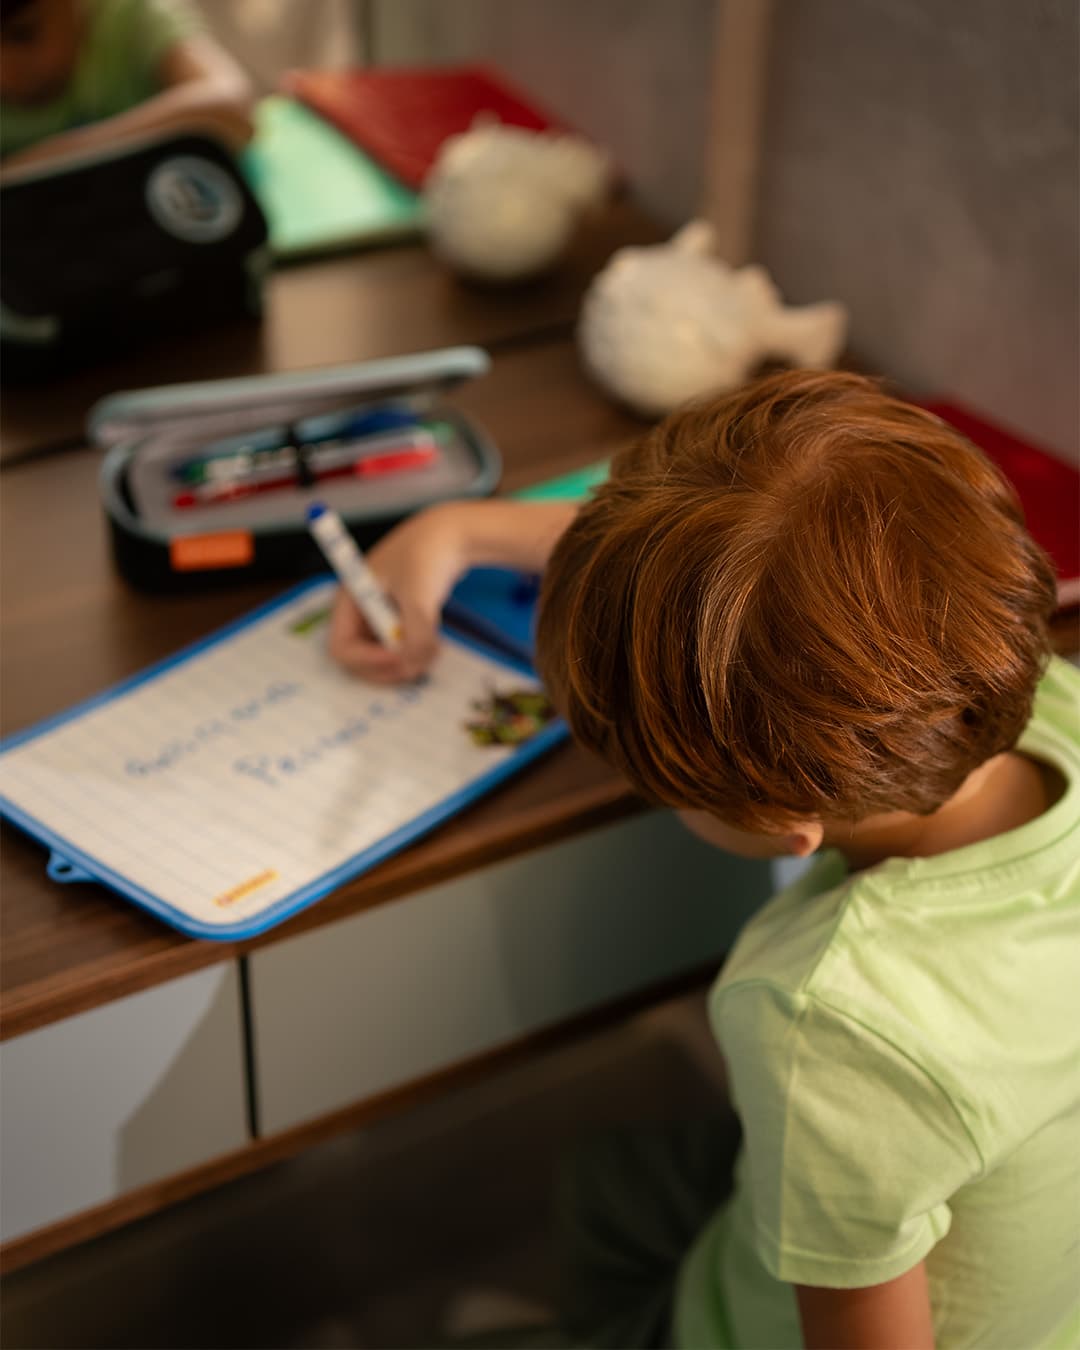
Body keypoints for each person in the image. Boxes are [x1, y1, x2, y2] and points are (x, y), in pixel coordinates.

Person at [328, 370, 1080, 1349]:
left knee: (604, 1216)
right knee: (615, 1186)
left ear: (780, 821)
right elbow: (777, 571)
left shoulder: (831, 1028)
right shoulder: (1023, 685)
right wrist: (461, 530)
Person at [0, 0, 252, 172]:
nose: (5, 70)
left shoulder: (128, 15)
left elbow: (232, 105)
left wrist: (31, 169)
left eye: (22, 35)